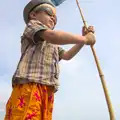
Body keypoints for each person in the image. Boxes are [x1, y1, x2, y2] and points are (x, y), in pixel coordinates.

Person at [4, 0, 96, 120]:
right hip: (30, 84)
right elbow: (53, 36)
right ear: (33, 15)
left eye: (55, 18)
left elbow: (67, 55)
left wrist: (83, 40)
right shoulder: (32, 26)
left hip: (48, 89)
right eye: (49, 13)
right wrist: (84, 39)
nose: (53, 18)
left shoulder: (53, 44)